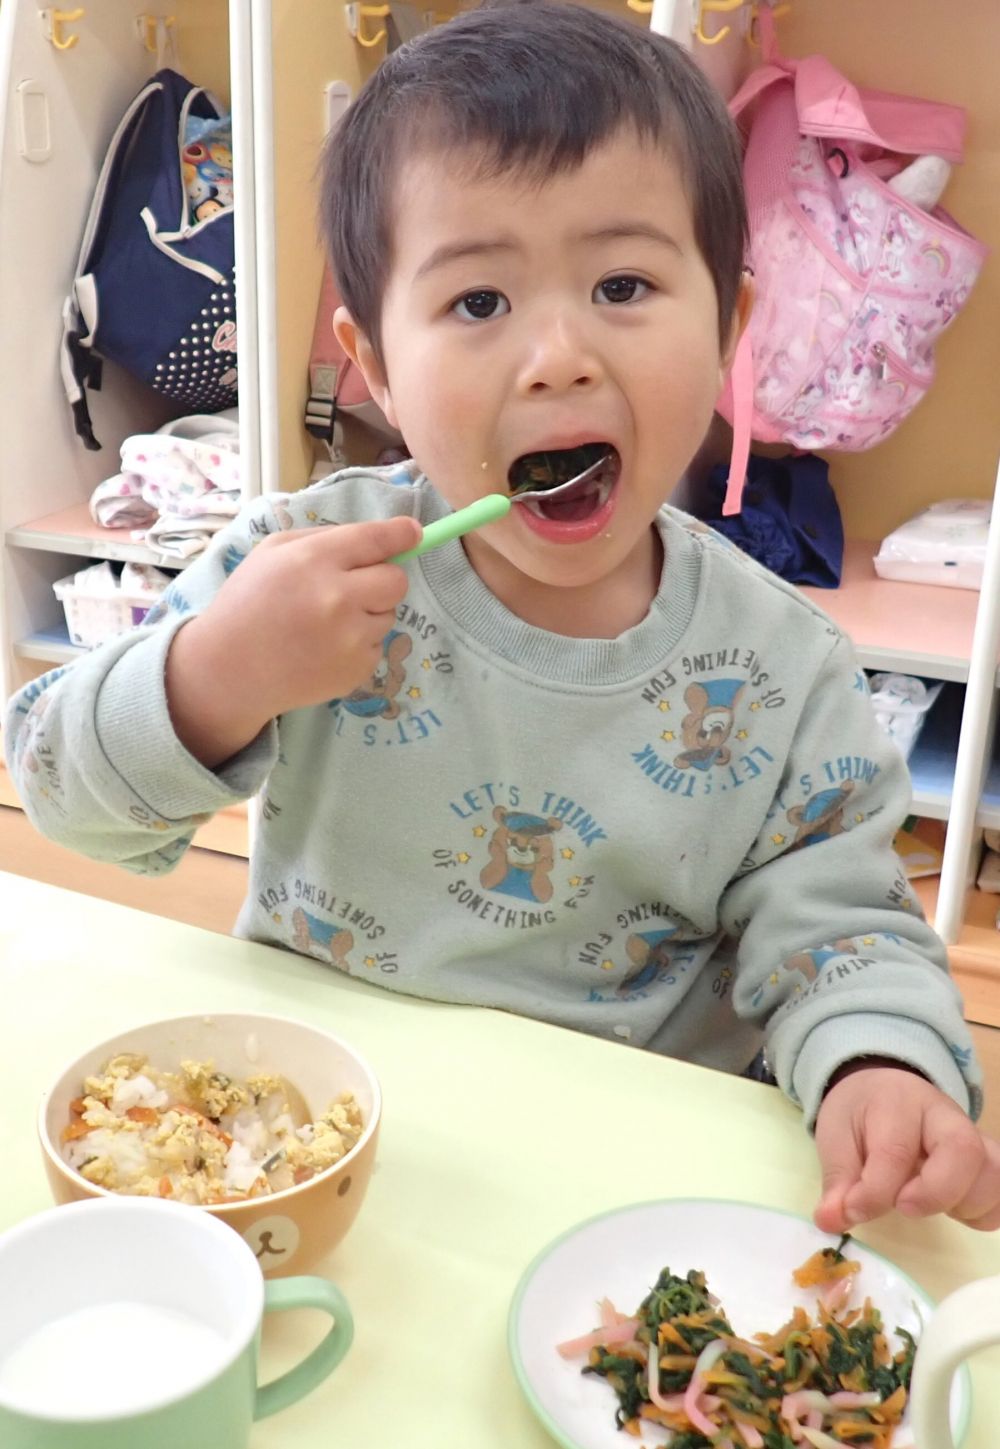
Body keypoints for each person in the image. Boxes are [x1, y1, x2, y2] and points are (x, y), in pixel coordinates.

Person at [8, 0, 999, 1233]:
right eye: (478, 303)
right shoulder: (297, 568)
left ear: (730, 327)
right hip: (323, 1149)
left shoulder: (785, 670)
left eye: (623, 283)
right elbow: (54, 783)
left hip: (627, 1168)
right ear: (371, 361)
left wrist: (879, 1066)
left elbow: (844, 927)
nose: (557, 357)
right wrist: (214, 672)